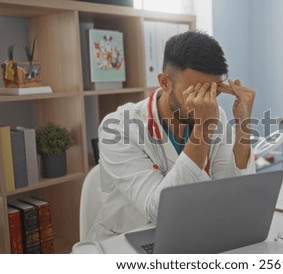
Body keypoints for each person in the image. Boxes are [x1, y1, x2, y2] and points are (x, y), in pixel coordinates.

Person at [88, 31, 256, 241]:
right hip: (127, 241)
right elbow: (160, 211)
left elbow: (231, 193)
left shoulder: (215, 115)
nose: (207, 101)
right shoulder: (118, 128)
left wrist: (243, 125)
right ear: (165, 82)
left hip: (190, 233)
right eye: (196, 91)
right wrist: (203, 129)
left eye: (214, 91)